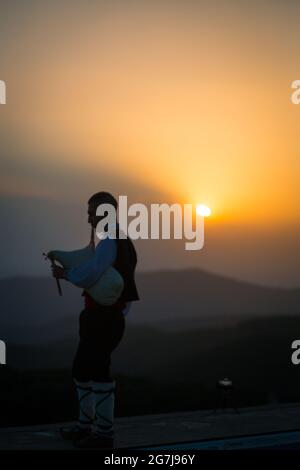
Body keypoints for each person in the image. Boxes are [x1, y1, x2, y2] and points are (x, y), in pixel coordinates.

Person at [51, 191, 139, 449]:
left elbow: (93, 273)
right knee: (84, 368)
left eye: (92, 212)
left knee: (96, 371)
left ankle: (102, 434)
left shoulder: (110, 241)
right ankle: (87, 427)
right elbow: (123, 284)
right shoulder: (122, 240)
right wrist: (119, 313)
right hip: (106, 317)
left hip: (102, 318)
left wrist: (65, 273)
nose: (88, 218)